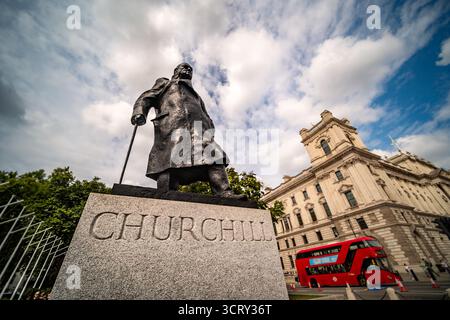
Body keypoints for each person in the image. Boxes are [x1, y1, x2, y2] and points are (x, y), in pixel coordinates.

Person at [131, 63, 244, 199]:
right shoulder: (165, 83)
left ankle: (224, 192)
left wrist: (209, 127)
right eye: (183, 67)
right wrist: (140, 112)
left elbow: (204, 113)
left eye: (190, 69)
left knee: (215, 156)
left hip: (199, 132)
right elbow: (146, 97)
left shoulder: (196, 95)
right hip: (172, 127)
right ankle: (166, 192)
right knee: (169, 162)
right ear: (175, 71)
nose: (188, 70)